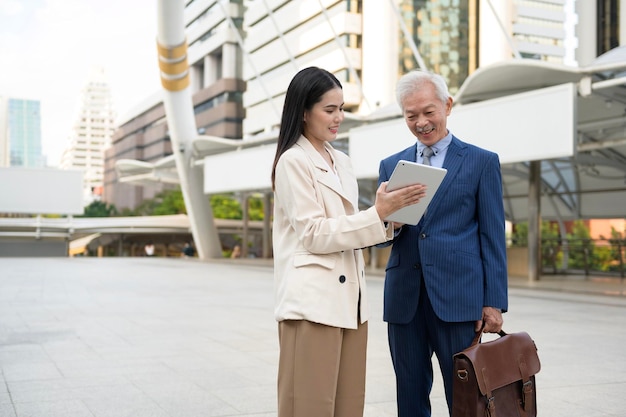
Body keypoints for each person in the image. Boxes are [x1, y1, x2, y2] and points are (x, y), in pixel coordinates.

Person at [271, 66, 426, 417]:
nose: (339, 117)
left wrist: (388, 219)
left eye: (342, 108)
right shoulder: (292, 161)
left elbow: (347, 227)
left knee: (347, 406)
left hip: (351, 306)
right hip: (312, 305)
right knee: (308, 407)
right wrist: (376, 213)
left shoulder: (341, 161)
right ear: (304, 111)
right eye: (330, 109)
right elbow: (313, 233)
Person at [377, 70, 508, 417]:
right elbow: (382, 234)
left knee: (466, 397)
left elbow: (492, 237)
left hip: (459, 300)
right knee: (409, 394)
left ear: (448, 105)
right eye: (411, 115)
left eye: (428, 112)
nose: (421, 122)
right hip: (405, 300)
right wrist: (386, 219)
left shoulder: (482, 162)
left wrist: (493, 302)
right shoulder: (391, 166)